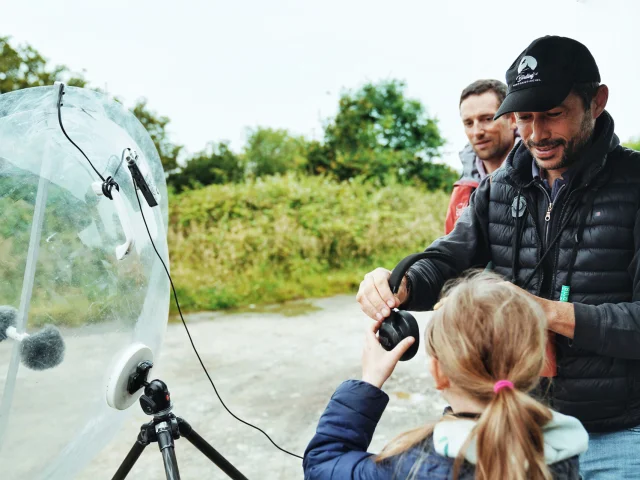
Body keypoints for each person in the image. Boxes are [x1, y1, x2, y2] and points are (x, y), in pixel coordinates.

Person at [356, 35, 640, 480]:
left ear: (596, 102)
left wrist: (546, 313)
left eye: (553, 115)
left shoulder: (635, 185)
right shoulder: (500, 187)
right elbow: (450, 258)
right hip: (517, 431)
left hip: (619, 434)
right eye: (523, 117)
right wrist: (400, 283)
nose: (536, 134)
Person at [304, 272, 588, 479]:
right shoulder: (561, 456)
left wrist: (369, 380)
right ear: (535, 363)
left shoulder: (417, 465)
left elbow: (323, 464)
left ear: (438, 373)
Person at [445, 80, 518, 234]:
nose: (477, 131)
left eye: (487, 119)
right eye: (469, 123)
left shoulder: (542, 177)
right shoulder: (462, 190)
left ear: (512, 119)